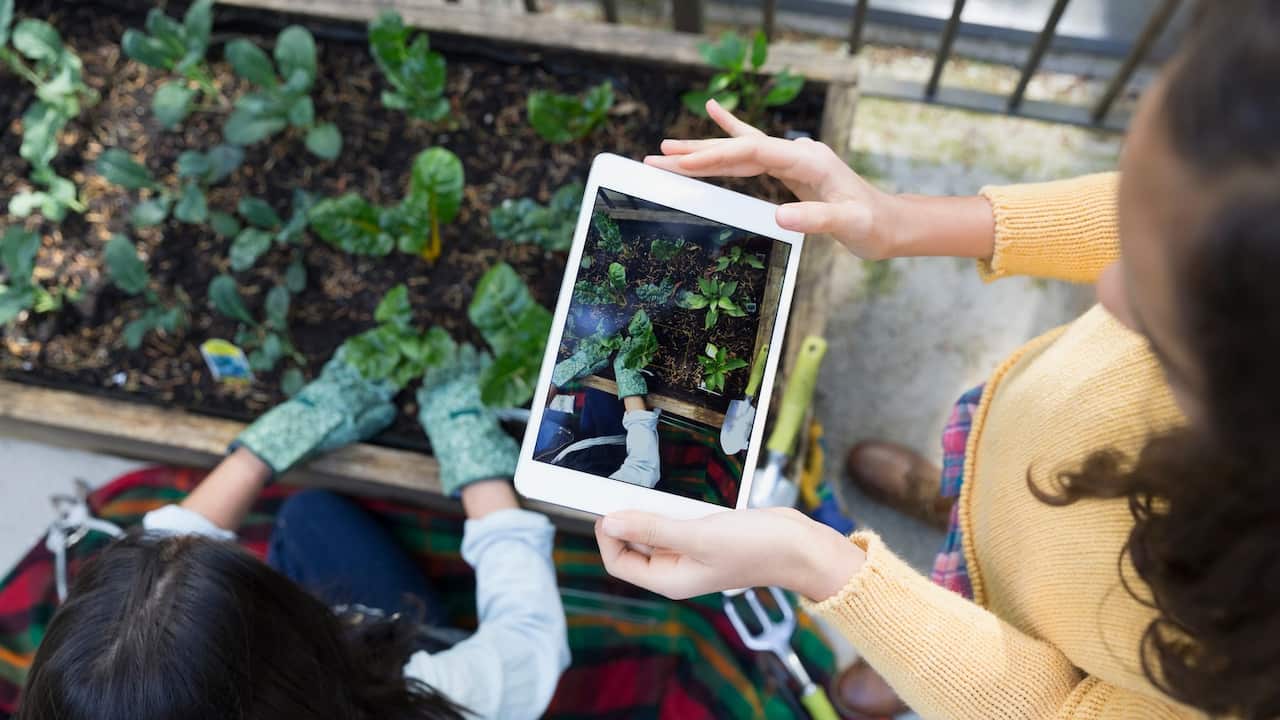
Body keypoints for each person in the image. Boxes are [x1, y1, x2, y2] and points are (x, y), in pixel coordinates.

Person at [593, 2, 1280, 718]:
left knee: (940, 630)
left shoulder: (1243, 666)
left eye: (1162, 322)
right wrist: (898, 222)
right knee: (988, 495)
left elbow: (1061, 707)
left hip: (1041, 641)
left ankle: (922, 629)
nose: (1106, 292)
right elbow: (1164, 211)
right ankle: (950, 504)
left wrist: (819, 566)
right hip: (1027, 443)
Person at [18, 343, 570, 720]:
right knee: (312, 520)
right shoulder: (437, 700)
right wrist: (476, 460)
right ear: (307, 646)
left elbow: (161, 563)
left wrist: (264, 450)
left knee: (312, 519)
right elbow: (528, 634)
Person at [538, 310, 661, 489]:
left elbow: (531, 421)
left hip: (572, 446)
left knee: (596, 393)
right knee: (607, 388)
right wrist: (629, 380)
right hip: (612, 453)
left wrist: (557, 377)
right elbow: (643, 467)